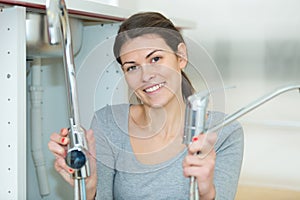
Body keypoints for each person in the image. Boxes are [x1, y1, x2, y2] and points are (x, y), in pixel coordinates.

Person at [48, 12, 244, 200]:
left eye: (156, 59)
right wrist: (88, 189)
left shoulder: (225, 132)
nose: (146, 76)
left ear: (181, 56)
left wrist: (206, 193)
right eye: (132, 67)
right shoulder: (107, 123)